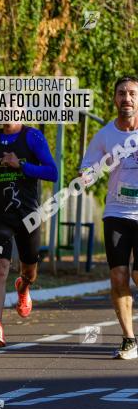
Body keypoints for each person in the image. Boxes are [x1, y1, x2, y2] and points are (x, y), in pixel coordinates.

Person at [0, 123, 57, 347]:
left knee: (29, 271)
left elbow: (52, 172)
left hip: (29, 216)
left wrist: (21, 165)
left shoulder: (34, 137)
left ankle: (24, 287)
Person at [79, 76, 138, 359]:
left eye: (132, 94)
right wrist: (87, 176)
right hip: (116, 212)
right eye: (121, 93)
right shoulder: (105, 135)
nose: (126, 98)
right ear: (114, 99)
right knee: (118, 276)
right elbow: (88, 167)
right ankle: (129, 339)